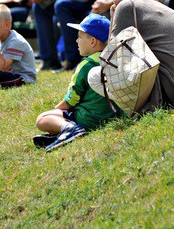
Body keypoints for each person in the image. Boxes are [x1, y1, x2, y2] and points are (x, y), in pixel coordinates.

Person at [35, 14, 122, 151]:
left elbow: (71, 100)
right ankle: (61, 133)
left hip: (88, 119)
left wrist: (56, 109)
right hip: (111, 116)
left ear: (93, 41)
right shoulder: (114, 61)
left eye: (80, 37)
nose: (76, 41)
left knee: (42, 119)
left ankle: (70, 129)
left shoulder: (86, 65)